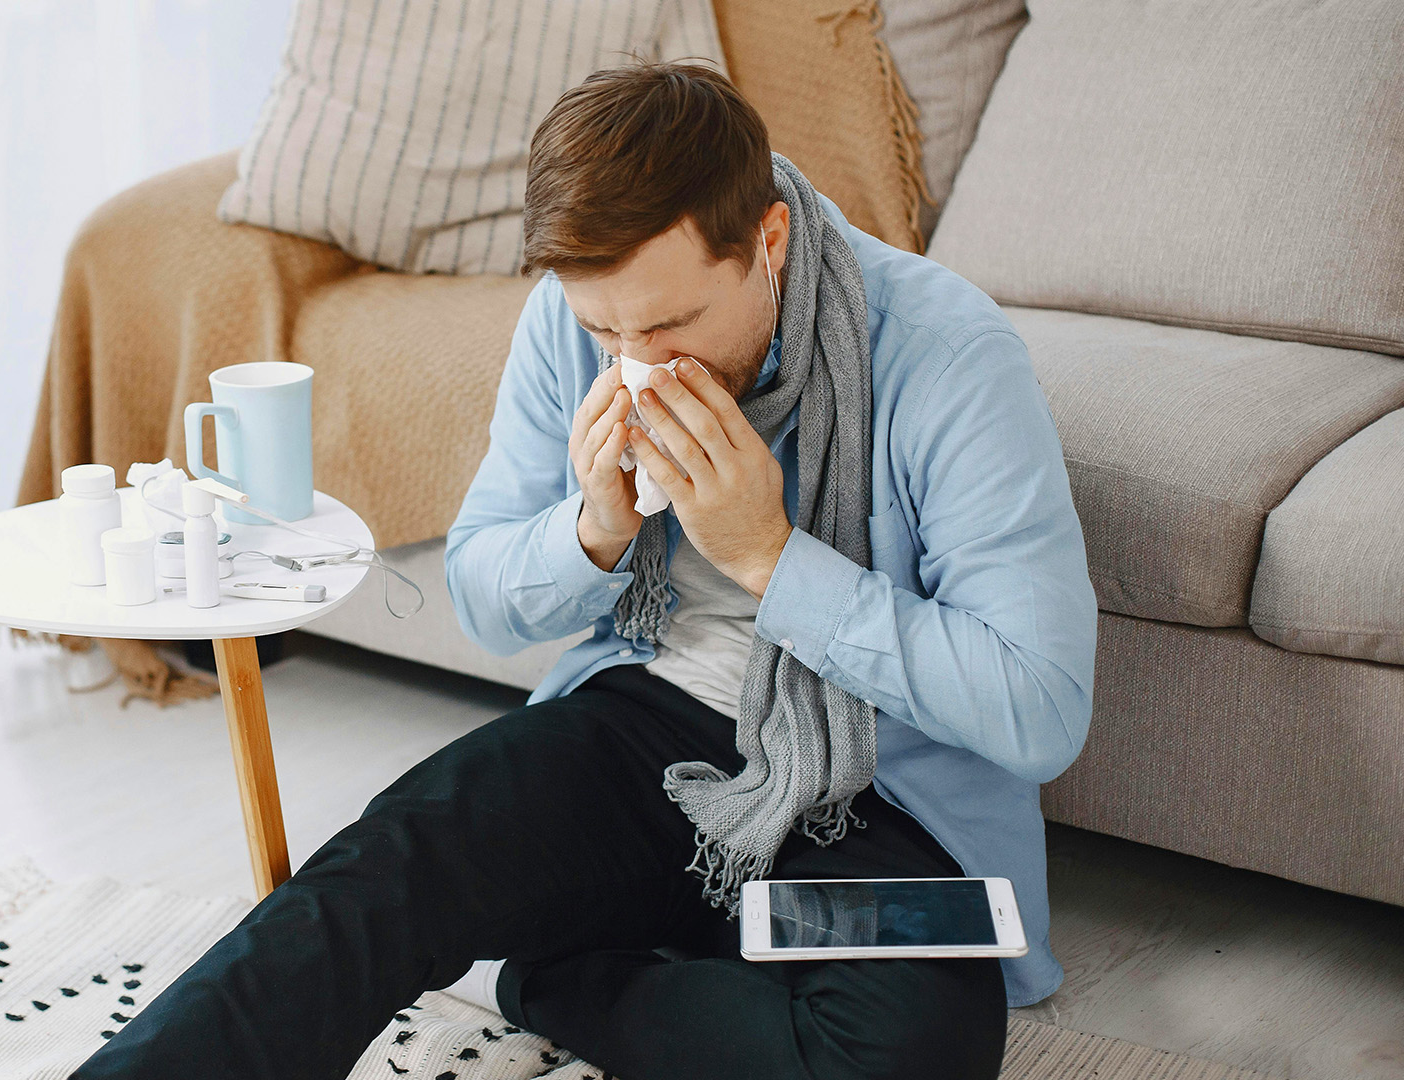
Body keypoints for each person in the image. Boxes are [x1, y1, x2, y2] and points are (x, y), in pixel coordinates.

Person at [71, 60, 1096, 1080]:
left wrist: (771, 558)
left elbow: (1041, 712)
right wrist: (592, 528)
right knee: (379, 876)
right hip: (642, 731)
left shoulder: (946, 356)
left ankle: (564, 973)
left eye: (670, 325)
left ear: (767, 244)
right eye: (607, 328)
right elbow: (482, 594)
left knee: (912, 1044)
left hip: (868, 791)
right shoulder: (575, 325)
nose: (634, 359)